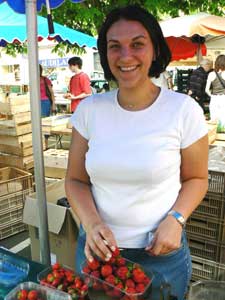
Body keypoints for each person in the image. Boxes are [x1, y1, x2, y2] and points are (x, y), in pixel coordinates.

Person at [65, 5, 208, 300]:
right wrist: (91, 225)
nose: (125, 56)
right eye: (114, 46)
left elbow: (197, 178)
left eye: (137, 44)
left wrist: (177, 219)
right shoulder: (90, 110)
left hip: (161, 255)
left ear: (155, 49)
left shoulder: (183, 110)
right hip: (97, 253)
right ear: (105, 54)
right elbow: (75, 181)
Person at [205, 55, 225, 130]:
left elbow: (206, 90)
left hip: (214, 98)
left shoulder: (211, 74)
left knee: (214, 118)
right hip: (223, 98)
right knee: (223, 117)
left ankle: (214, 135)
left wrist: (212, 96)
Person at [39, 64, 56, 149]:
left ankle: (45, 145)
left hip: (45, 102)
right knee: (36, 124)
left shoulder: (45, 79)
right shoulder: (32, 79)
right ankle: (39, 145)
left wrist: (53, 104)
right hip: (35, 103)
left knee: (44, 124)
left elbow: (52, 93)